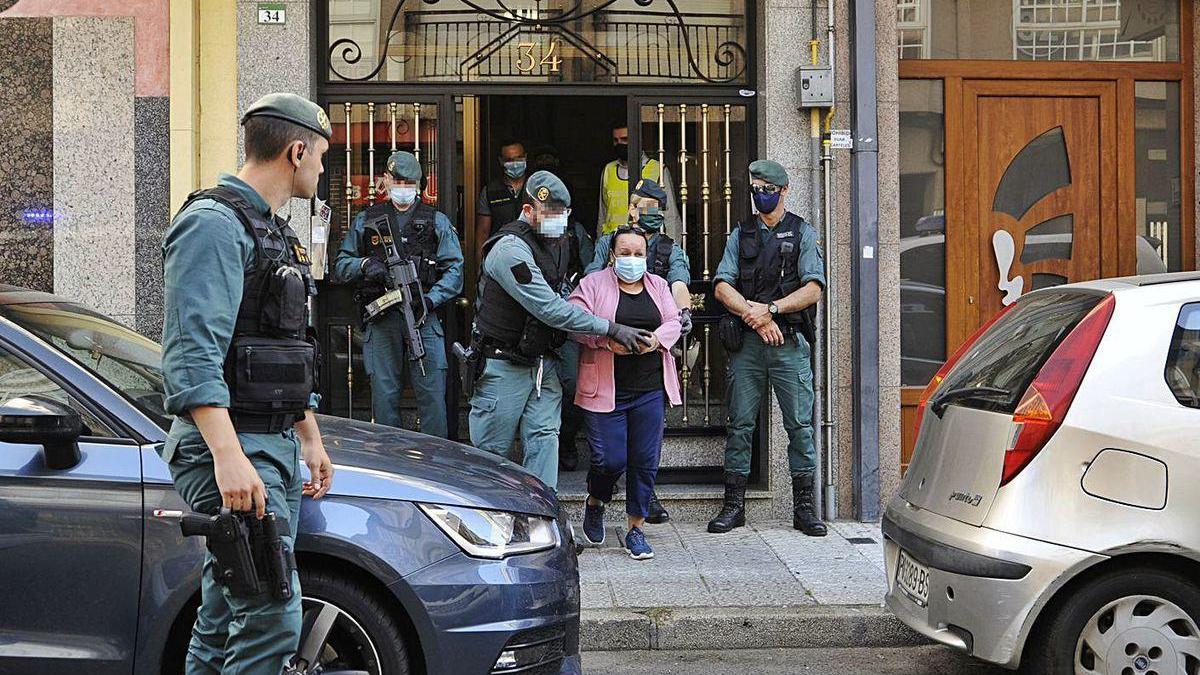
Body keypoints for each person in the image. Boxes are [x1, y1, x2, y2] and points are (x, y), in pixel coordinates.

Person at [160, 92, 336, 673]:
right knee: (269, 616)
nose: (320, 169)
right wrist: (228, 457)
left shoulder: (269, 230)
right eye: (321, 156)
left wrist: (307, 434)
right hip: (235, 447)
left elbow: (284, 348)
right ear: (296, 150)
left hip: (271, 443)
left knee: (221, 618)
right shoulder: (213, 226)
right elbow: (191, 356)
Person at [469, 170, 654, 489]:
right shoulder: (509, 249)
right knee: (490, 454)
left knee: (544, 443)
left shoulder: (558, 244)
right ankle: (483, 530)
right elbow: (549, 308)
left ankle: (543, 524)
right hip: (503, 366)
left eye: (562, 214)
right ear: (528, 212)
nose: (558, 221)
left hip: (543, 363)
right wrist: (610, 328)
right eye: (550, 214)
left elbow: (564, 295)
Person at [708, 159, 827, 537]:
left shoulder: (802, 233)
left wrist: (773, 310)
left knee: (800, 427)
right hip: (748, 345)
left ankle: (804, 509)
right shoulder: (740, 233)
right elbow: (721, 285)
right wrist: (755, 316)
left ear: (784, 190)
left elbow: (814, 288)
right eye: (755, 187)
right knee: (740, 423)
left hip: (788, 345)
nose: (761, 193)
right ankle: (734, 506)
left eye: (767, 188)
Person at [331, 151, 464, 437]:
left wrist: (430, 299)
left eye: (410, 182)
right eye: (398, 181)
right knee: (384, 396)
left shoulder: (436, 221)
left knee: (432, 396)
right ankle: (390, 462)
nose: (403, 188)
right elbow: (341, 266)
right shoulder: (367, 220)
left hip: (422, 317)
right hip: (382, 318)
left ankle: (434, 462)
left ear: (419, 185)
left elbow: (455, 273)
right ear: (386, 180)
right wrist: (365, 264)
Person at [569, 225, 682, 559]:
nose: (632, 259)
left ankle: (636, 529)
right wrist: (607, 341)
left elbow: (673, 320)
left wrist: (657, 340)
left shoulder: (658, 285)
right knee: (610, 459)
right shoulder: (592, 285)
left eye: (639, 254)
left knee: (645, 461)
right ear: (612, 255)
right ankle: (596, 500)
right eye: (626, 253)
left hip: (649, 388)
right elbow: (574, 320)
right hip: (606, 389)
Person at [586, 178, 692, 523]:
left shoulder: (669, 249)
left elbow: (678, 282)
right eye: (634, 205)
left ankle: (643, 503)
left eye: (645, 206)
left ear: (659, 212)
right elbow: (590, 282)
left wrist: (682, 314)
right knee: (610, 453)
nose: (637, 211)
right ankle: (601, 494)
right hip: (608, 353)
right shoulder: (609, 243)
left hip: (652, 349)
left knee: (646, 443)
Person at [526, 144, 596, 472]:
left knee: (570, 385)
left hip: (564, 322)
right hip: (525, 326)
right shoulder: (517, 240)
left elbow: (591, 272)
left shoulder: (574, 234)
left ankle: (566, 442)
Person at [598, 121, 682, 239]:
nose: (620, 144)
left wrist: (671, 250)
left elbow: (670, 216)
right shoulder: (608, 170)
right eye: (616, 140)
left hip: (646, 247)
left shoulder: (658, 170)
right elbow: (603, 214)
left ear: (636, 139)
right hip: (613, 246)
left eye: (624, 139)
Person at [474, 139, 528, 265]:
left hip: (532, 256)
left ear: (526, 157)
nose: (515, 164)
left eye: (519, 158)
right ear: (501, 161)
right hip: (500, 259)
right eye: (509, 160)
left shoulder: (536, 188)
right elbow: (482, 234)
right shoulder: (490, 191)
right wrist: (479, 270)